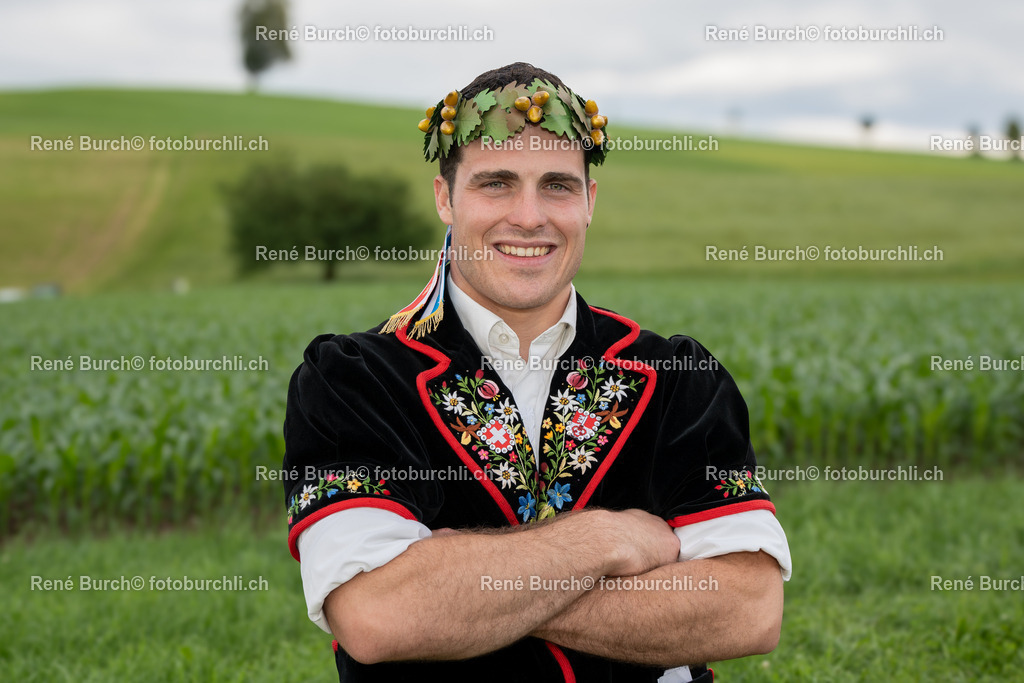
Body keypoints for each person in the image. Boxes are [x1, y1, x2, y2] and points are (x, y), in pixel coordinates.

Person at [282, 62, 792, 682]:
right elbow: (378, 613)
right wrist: (610, 542)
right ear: (445, 198)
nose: (529, 216)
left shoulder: (677, 373)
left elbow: (748, 610)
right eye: (496, 183)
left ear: (589, 202)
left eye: (556, 185)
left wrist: (456, 583)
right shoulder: (353, 381)